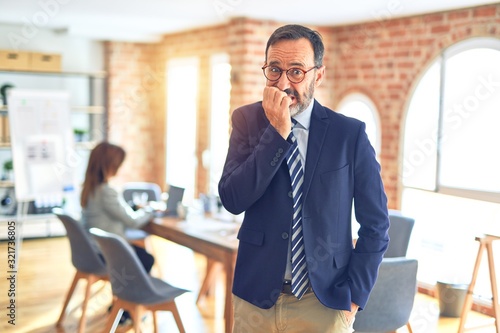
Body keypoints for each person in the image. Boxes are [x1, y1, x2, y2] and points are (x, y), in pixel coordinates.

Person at [218, 24, 390, 332]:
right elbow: (233, 199)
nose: (283, 83)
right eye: (275, 69)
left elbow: (376, 225)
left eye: (296, 71)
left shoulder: (349, 135)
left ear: (318, 75)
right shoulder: (246, 121)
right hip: (255, 298)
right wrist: (276, 134)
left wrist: (354, 299)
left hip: (324, 301)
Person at [80, 141, 155, 324]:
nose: (119, 169)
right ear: (109, 165)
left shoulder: (90, 188)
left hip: (95, 250)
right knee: (146, 259)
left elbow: (116, 212)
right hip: (107, 254)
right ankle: (127, 311)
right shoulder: (107, 191)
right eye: (117, 165)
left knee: (141, 256)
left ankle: (122, 306)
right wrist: (151, 209)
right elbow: (133, 221)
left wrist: (131, 209)